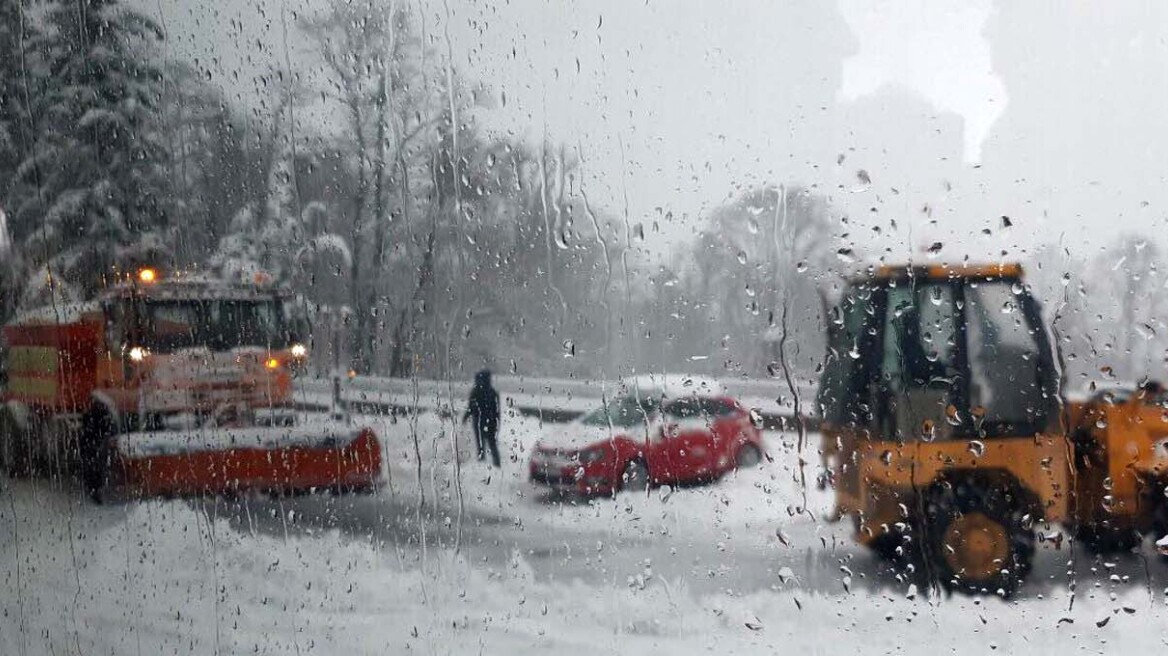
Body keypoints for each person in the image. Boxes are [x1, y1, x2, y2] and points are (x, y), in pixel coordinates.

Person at [462, 369, 501, 467]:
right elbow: (497, 411)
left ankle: (482, 461)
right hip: (491, 422)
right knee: (492, 444)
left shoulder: (476, 391)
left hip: (479, 421)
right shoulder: (493, 392)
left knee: (481, 444)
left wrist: (466, 417)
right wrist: (497, 424)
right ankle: (496, 463)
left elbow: (471, 407)